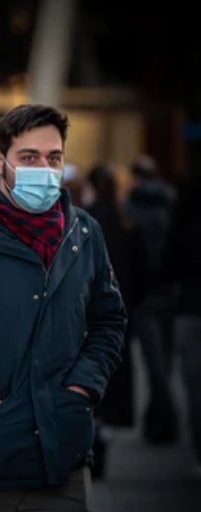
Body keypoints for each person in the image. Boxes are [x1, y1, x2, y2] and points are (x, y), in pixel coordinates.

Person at [0, 104, 126, 511]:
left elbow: (109, 319)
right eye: (29, 157)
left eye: (54, 158)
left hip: (61, 461)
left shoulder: (83, 233)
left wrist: (82, 388)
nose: (44, 168)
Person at [84, 164, 151, 478]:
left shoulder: (85, 221)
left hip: (89, 313)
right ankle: (104, 437)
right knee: (115, 377)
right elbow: (144, 271)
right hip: (121, 313)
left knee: (93, 379)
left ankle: (94, 438)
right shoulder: (126, 221)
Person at [125, 155, 178, 444]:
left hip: (145, 296)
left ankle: (164, 421)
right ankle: (157, 422)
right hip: (171, 293)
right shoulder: (171, 206)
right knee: (164, 365)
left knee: (154, 365)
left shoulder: (132, 209)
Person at [162, 171, 201, 477]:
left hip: (189, 309)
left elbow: (168, 262)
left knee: (194, 384)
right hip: (187, 309)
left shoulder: (184, 219)